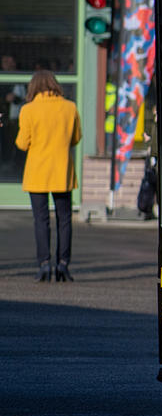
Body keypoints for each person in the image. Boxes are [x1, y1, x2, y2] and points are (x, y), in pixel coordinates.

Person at [15, 71, 81, 282]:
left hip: (38, 172)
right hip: (62, 171)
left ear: (33, 87)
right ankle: (63, 264)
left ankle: (44, 264)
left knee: (41, 220)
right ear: (55, 85)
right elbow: (76, 138)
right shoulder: (70, 107)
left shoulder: (28, 110)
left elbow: (22, 143)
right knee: (65, 219)